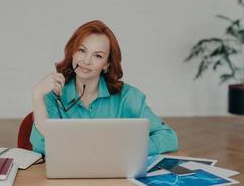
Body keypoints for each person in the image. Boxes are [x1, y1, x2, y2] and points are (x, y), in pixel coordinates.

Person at [30, 20, 178, 156]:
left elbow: (168, 137)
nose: (86, 61)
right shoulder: (52, 94)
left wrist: (125, 150)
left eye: (98, 56)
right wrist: (37, 96)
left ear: (107, 64)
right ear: (72, 53)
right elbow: (41, 147)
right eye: (82, 51)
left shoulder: (128, 97)